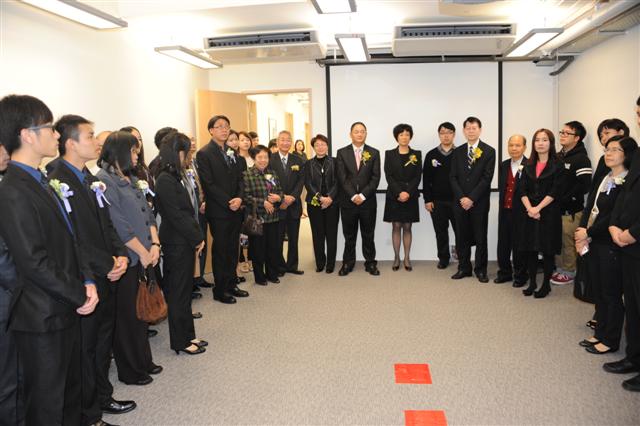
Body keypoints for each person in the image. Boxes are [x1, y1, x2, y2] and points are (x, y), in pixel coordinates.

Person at [0, 94, 98, 425]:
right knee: (47, 406)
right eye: (49, 128)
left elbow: (71, 238)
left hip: (64, 305)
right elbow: (33, 261)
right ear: (27, 135)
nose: (56, 134)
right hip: (41, 315)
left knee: (69, 398)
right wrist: (78, 293)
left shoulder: (42, 179)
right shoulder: (12, 190)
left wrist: (87, 279)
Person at [49, 115, 135, 424]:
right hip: (84, 277)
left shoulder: (89, 177)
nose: (97, 141)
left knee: (102, 343)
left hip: (107, 272)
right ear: (71, 143)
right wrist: (107, 263)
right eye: (90, 135)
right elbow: (71, 238)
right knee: (85, 349)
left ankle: (102, 396)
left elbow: (107, 224)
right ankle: (88, 413)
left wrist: (120, 254)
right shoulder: (56, 179)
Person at [97, 131, 162, 385]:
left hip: (146, 254)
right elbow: (119, 225)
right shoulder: (105, 181)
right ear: (120, 152)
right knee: (127, 316)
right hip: (130, 258)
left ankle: (144, 360)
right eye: (133, 151)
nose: (137, 155)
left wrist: (155, 243)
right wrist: (143, 253)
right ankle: (130, 370)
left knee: (142, 309)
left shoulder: (131, 178)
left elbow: (147, 213)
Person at [576, 136, 637, 355]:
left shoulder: (628, 181)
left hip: (610, 243)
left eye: (615, 150)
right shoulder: (606, 177)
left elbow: (612, 216)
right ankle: (600, 332)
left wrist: (589, 232)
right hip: (594, 240)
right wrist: (583, 231)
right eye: (607, 149)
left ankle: (610, 339)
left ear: (627, 154)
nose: (608, 153)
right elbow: (591, 208)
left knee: (611, 293)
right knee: (599, 291)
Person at [154, 132, 207, 356]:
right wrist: (197, 237)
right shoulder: (165, 179)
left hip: (184, 241)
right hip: (176, 243)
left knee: (185, 293)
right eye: (187, 151)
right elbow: (176, 216)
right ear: (178, 152)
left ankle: (188, 335)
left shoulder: (175, 175)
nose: (189, 155)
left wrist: (196, 236)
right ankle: (180, 341)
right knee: (177, 294)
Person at [605, 99, 640, 392]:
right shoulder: (638, 157)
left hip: (635, 240)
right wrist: (615, 226)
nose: (639, 119)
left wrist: (633, 233)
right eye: (638, 114)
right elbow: (625, 193)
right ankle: (634, 358)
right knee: (635, 307)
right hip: (625, 242)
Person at [196, 115, 249, 304]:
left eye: (226, 126)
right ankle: (220, 289)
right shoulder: (204, 153)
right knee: (221, 249)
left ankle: (231, 284)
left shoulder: (232, 152)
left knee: (233, 248)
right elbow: (208, 184)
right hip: (219, 210)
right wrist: (228, 201)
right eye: (219, 126)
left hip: (236, 208)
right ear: (211, 130)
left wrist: (239, 198)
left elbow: (241, 179)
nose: (224, 130)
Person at [517, 128, 564, 299]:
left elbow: (555, 190)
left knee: (547, 250)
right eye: (537, 140)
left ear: (551, 143)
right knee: (530, 249)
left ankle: (545, 285)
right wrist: (530, 209)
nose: (540, 143)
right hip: (529, 213)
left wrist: (538, 209)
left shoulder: (558, 164)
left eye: (544, 140)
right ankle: (532, 283)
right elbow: (521, 190)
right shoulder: (527, 165)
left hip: (549, 213)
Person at [449, 117, 496, 283]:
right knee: (461, 236)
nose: (471, 131)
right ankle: (464, 267)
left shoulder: (489, 151)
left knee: (480, 237)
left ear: (480, 130)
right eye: (468, 128)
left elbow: (486, 178)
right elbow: (452, 177)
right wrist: (462, 197)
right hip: (460, 202)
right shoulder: (457, 152)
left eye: (474, 128)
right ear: (464, 131)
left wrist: (471, 198)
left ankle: (481, 270)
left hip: (479, 202)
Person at [336, 122, 381, 276]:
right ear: (351, 134)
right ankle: (348, 263)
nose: (360, 134)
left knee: (368, 234)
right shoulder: (342, 153)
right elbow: (342, 178)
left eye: (362, 131)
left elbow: (375, 178)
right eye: (356, 131)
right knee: (349, 236)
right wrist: (353, 195)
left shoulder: (374, 152)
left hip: (368, 202)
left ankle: (370, 263)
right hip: (348, 202)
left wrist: (362, 195)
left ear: (366, 134)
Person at [550, 121, 592, 286]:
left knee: (568, 242)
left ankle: (569, 271)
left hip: (571, 211)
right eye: (562, 132)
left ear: (577, 138)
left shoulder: (581, 159)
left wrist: (565, 198)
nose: (563, 135)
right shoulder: (558, 156)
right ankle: (560, 268)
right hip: (555, 209)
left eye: (568, 133)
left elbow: (585, 185)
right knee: (557, 240)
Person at [0, 142, 22, 426]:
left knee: (19, 373)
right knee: (7, 381)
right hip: (7, 297)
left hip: (14, 296)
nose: (7, 153)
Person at [243, 145, 284, 285]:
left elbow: (280, 191)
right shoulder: (247, 174)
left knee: (273, 248)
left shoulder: (272, 173)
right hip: (257, 219)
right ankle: (260, 277)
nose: (263, 160)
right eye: (259, 157)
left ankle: (272, 274)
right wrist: (263, 202)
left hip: (273, 217)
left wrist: (279, 197)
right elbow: (246, 197)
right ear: (254, 158)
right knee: (258, 250)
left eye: (265, 157)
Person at [384, 124, 422, 271]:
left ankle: (406, 257)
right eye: (401, 134)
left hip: (410, 195)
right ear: (396, 137)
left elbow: (417, 176)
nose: (404, 137)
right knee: (396, 226)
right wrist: (399, 192)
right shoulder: (389, 154)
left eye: (407, 134)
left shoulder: (417, 154)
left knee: (407, 227)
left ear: (410, 137)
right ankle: (396, 257)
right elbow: (389, 175)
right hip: (394, 195)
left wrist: (407, 192)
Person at [494, 134, 528, 286]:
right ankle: (505, 273)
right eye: (511, 145)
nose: (514, 148)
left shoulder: (530, 165)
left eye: (518, 145)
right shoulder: (503, 165)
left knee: (520, 245)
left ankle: (521, 275)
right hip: (505, 211)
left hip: (522, 212)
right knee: (503, 243)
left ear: (524, 147)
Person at [270, 130, 305, 275]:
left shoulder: (298, 160)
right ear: (277, 142)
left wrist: (292, 197)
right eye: (282, 140)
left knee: (293, 238)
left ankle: (292, 266)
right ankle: (280, 266)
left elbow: (301, 181)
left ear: (291, 142)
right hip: (277, 205)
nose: (285, 143)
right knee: (277, 238)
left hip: (294, 204)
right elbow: (269, 182)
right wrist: (282, 198)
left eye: (288, 140)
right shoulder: (270, 159)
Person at [423, 122, 457, 269]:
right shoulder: (431, 154)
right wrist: (428, 199)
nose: (446, 135)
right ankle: (443, 258)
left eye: (449, 132)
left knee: (460, 232)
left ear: (454, 134)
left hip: (457, 201)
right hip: (437, 201)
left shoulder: (460, 153)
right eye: (443, 133)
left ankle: (463, 258)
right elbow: (426, 179)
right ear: (439, 135)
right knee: (440, 232)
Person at [304, 134, 339, 273]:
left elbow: (338, 181)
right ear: (313, 147)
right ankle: (320, 263)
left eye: (323, 144)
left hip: (332, 203)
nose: (320, 147)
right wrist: (320, 197)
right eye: (317, 145)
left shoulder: (335, 162)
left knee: (331, 234)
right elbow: (308, 183)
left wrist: (329, 197)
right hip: (314, 203)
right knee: (317, 234)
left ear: (327, 146)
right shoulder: (308, 163)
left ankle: (330, 264)